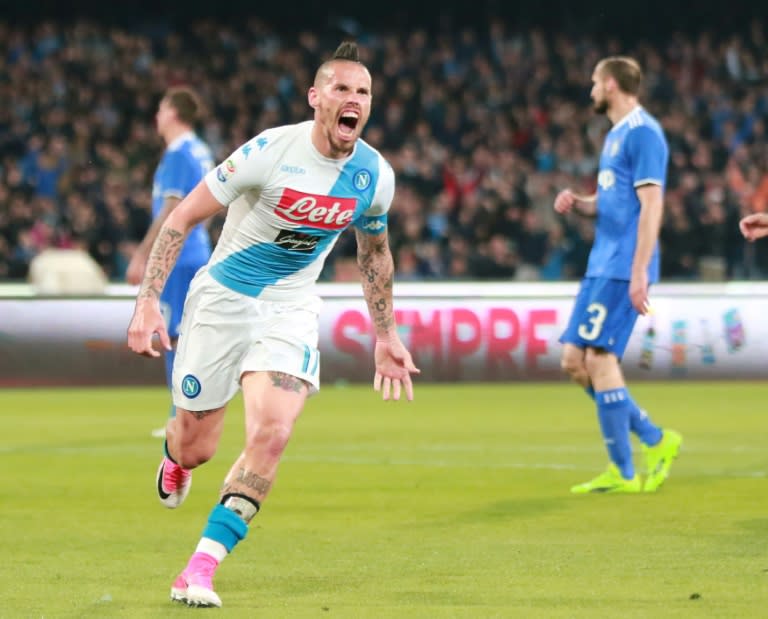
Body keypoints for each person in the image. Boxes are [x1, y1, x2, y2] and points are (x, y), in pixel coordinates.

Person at [127, 41, 420, 608]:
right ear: (316, 97)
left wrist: (385, 335)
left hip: (290, 305)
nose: (353, 99)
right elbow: (182, 217)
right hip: (222, 301)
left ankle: (200, 568)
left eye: (363, 92)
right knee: (196, 447)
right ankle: (174, 455)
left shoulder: (373, 176)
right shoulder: (268, 152)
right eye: (341, 89)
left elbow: (374, 254)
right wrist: (147, 301)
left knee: (274, 431)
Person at [553, 56, 682, 494]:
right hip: (601, 263)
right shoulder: (615, 136)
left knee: (599, 360)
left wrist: (640, 271)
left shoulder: (644, 132)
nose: (589, 89)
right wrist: (581, 201)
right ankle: (654, 439)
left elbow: (652, 204)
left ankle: (625, 471)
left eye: (593, 82)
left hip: (623, 266)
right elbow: (613, 199)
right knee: (574, 361)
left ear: (610, 84)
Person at [126, 87, 214, 438]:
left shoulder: (178, 154)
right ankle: (188, 410)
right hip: (198, 251)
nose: (157, 116)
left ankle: (182, 414)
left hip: (177, 258)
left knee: (172, 335)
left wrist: (143, 253)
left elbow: (170, 210)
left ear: (174, 114)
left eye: (161, 109)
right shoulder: (201, 150)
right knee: (188, 334)